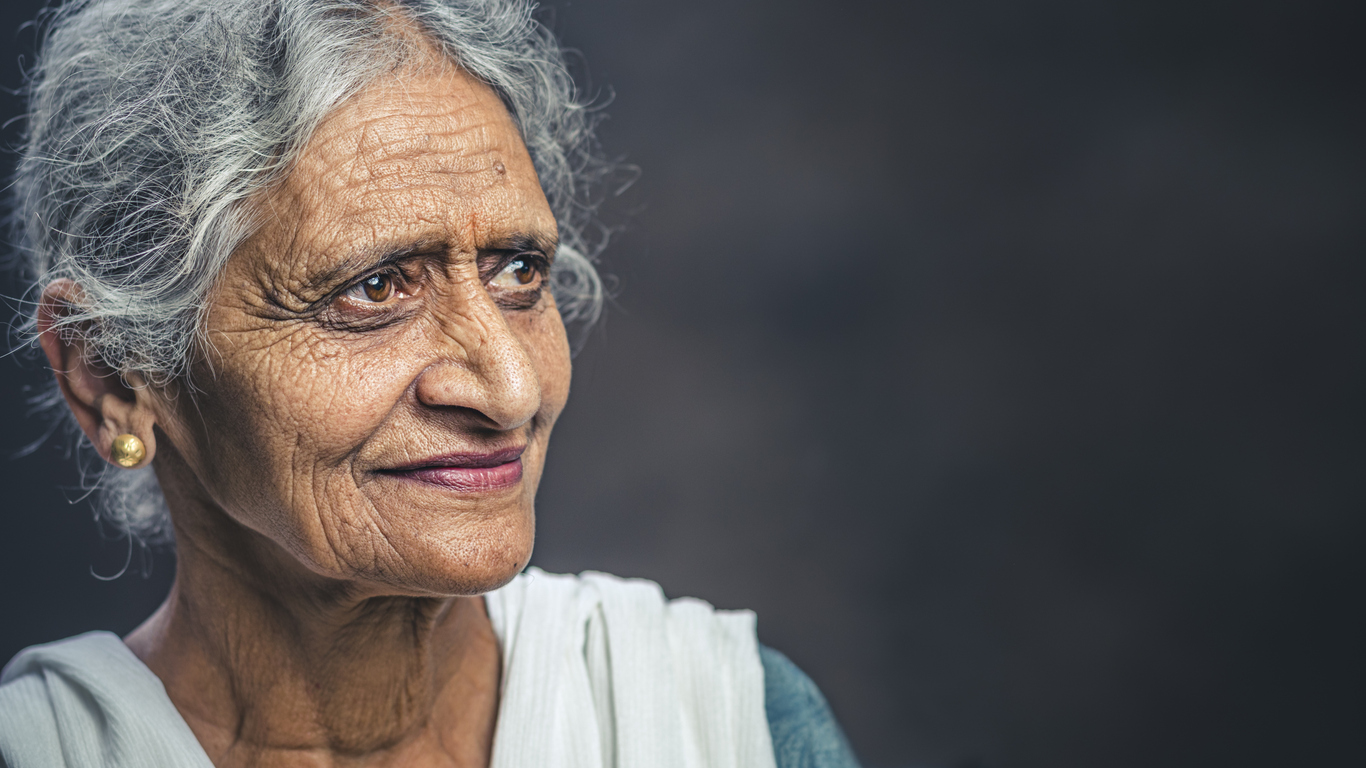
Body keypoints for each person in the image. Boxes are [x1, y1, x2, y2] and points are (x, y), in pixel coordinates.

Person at [0, 1, 861, 766]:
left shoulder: (729, 724)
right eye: (373, 289)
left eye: (519, 271)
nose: (512, 387)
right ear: (113, 373)